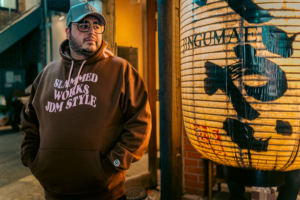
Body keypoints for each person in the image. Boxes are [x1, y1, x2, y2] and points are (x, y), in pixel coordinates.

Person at [20, 2, 152, 200]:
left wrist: (113, 164)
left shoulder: (121, 71)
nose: (91, 31)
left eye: (96, 26)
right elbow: (29, 122)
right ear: (68, 31)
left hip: (105, 193)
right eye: (83, 25)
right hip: (54, 193)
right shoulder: (47, 74)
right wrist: (32, 159)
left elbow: (140, 123)